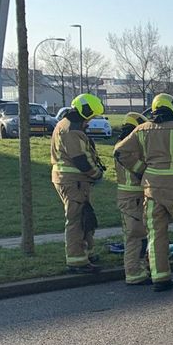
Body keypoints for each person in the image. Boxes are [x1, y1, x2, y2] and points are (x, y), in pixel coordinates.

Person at [115, 93, 173, 292]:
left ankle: (160, 278)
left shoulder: (141, 130)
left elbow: (120, 152)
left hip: (150, 189)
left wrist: (141, 169)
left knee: (155, 233)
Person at [50, 93, 106, 273]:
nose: (90, 122)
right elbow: (81, 159)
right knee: (77, 220)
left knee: (85, 216)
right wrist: (96, 174)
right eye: (90, 117)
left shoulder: (66, 124)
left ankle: (86, 253)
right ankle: (76, 261)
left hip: (74, 181)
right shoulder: (72, 130)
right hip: (74, 181)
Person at [115, 112, 150, 285]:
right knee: (137, 237)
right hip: (134, 196)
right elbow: (139, 169)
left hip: (127, 197)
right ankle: (135, 273)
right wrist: (144, 171)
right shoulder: (131, 148)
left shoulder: (121, 144)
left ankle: (140, 269)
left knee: (134, 235)